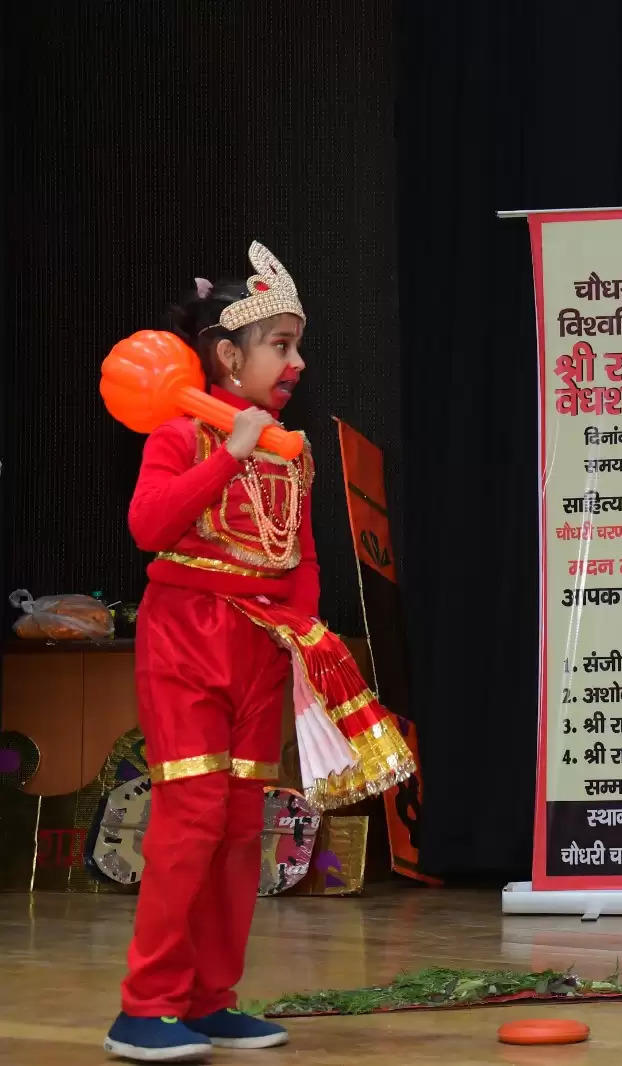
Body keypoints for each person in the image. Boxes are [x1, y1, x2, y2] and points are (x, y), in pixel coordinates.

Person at [106, 243, 414, 1062]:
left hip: (258, 645)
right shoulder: (180, 435)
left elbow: (303, 560)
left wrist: (305, 640)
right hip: (186, 634)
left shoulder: (295, 451)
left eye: (296, 344)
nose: (298, 361)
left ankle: (211, 1000)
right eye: (281, 344)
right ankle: (146, 1007)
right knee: (191, 816)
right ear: (228, 356)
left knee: (245, 823)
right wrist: (231, 451)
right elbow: (148, 527)